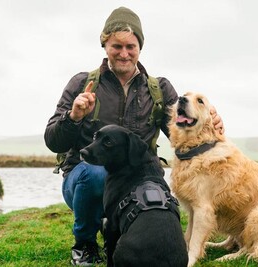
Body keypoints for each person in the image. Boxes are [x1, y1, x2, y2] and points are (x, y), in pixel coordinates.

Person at [44, 6, 224, 266]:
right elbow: (53, 141)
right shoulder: (81, 84)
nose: (124, 53)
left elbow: (184, 131)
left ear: (140, 47)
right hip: (86, 179)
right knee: (96, 174)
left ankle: (134, 243)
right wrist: (74, 117)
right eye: (117, 46)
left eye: (131, 46)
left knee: (158, 199)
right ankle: (84, 244)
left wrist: (209, 121)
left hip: (141, 180)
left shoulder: (159, 89)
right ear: (105, 44)